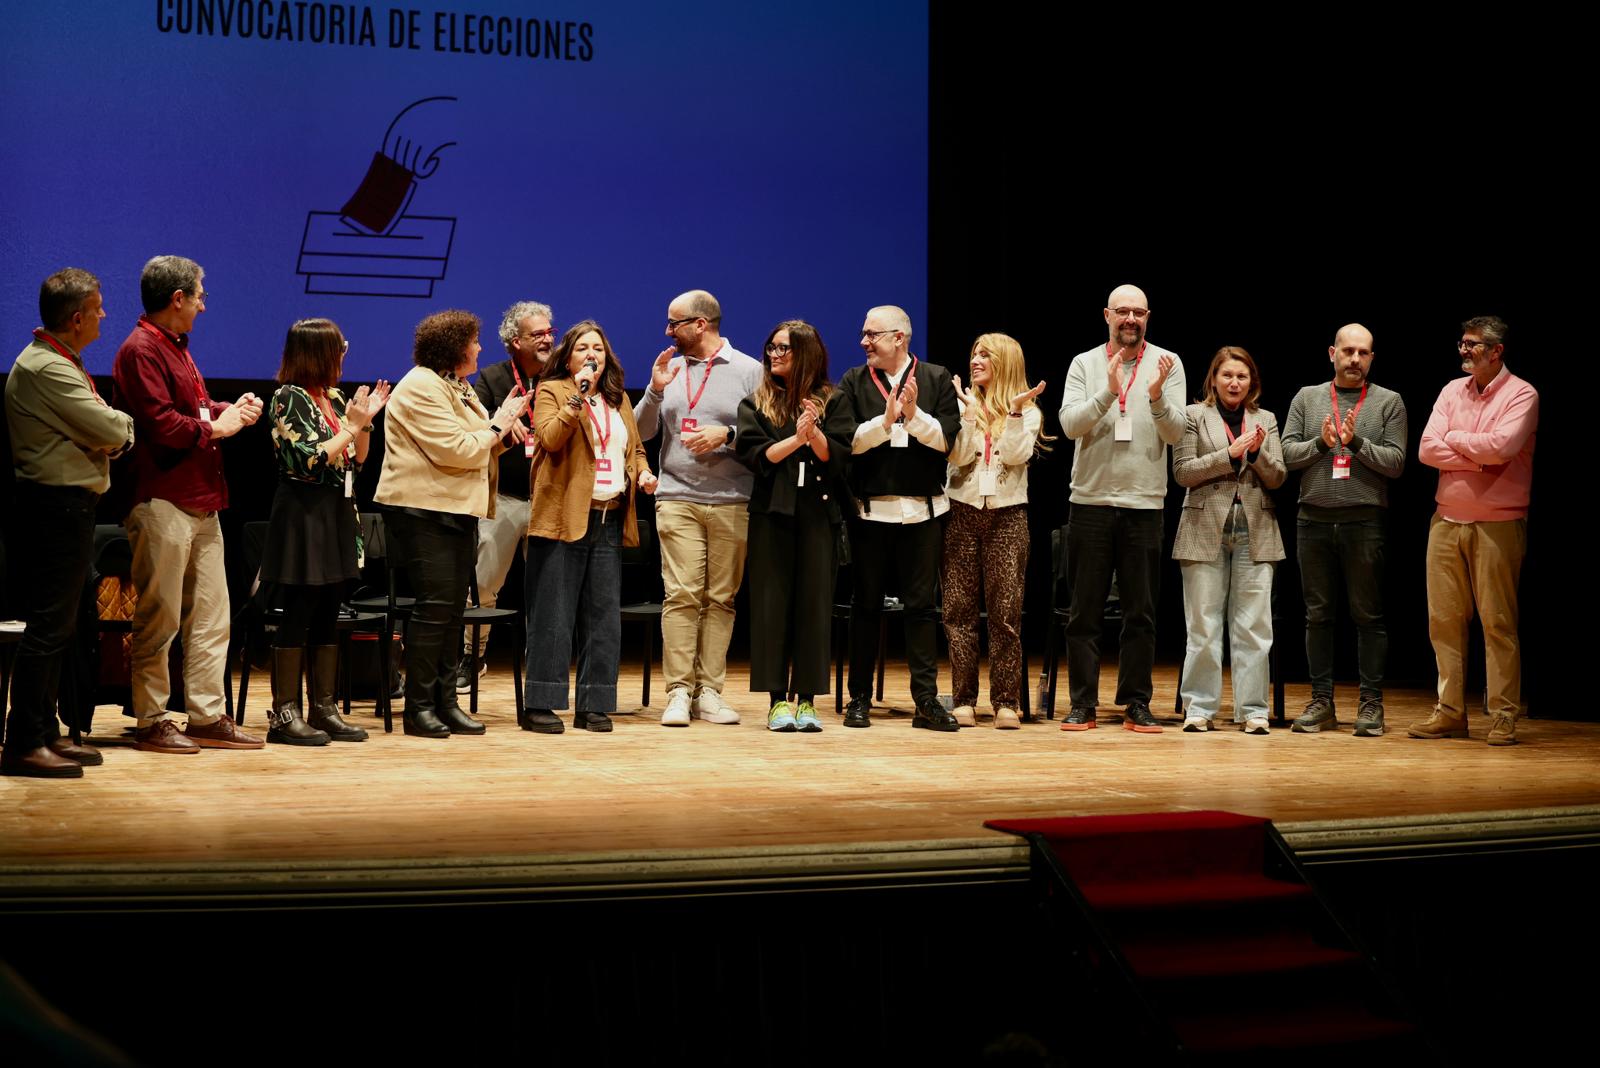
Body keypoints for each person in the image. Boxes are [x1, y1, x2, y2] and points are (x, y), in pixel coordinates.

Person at [112, 255, 265, 754]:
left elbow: (192, 412)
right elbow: (160, 424)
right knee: (160, 619)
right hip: (162, 500)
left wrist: (228, 411)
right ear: (176, 299)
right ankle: (152, 720)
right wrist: (214, 428)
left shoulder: (176, 347)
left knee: (212, 616)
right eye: (199, 295)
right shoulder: (140, 350)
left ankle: (204, 715)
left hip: (202, 503)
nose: (204, 304)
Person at [2, 269, 134, 778]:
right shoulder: (46, 369)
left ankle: (45, 731)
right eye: (98, 309)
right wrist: (114, 431)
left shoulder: (61, 362)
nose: (103, 315)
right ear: (77, 318)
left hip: (69, 507)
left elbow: (101, 428)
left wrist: (105, 432)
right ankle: (22, 741)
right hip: (53, 509)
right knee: (48, 627)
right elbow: (109, 425)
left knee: (65, 627)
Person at [374, 310, 529, 738]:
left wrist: (500, 431)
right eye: (475, 341)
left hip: (455, 510)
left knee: (453, 612)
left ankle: (446, 701)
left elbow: (481, 442)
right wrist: (499, 425)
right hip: (424, 512)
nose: (480, 348)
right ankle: (419, 707)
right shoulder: (421, 386)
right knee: (433, 611)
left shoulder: (456, 386)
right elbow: (458, 449)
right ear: (455, 347)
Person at [824, 305, 961, 731]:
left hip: (922, 511)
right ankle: (859, 698)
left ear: (899, 338)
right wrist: (885, 421)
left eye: (872, 334)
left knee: (922, 609)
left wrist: (915, 414)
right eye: (864, 334)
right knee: (865, 608)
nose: (863, 341)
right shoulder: (852, 381)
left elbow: (947, 444)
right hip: (871, 514)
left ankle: (926, 700)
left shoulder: (936, 378)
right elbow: (848, 444)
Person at [1056, 284, 1185, 733]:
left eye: (1138, 312)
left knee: (1141, 613)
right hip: (1090, 501)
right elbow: (1070, 425)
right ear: (1106, 315)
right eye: (1122, 312)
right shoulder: (1084, 363)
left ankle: (1136, 702)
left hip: (1144, 504)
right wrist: (1109, 393)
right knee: (1084, 612)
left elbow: (1176, 434)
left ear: (1148, 317)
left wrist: (1154, 396)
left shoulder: (1169, 363)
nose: (1130, 319)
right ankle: (1082, 705)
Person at [635, 290, 763, 727]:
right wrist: (654, 391)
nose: (668, 332)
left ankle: (709, 691)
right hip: (677, 496)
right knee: (682, 594)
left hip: (732, 499)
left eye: (675, 324)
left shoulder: (750, 371)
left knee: (720, 599)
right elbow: (640, 433)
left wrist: (725, 435)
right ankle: (678, 691)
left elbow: (765, 435)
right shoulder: (669, 369)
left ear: (701, 324)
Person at [522, 321, 657, 733]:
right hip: (564, 518)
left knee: (603, 618)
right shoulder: (554, 391)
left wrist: (644, 472)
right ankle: (541, 704)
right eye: (583, 348)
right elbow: (548, 438)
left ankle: (594, 704)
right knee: (554, 616)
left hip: (609, 517)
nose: (591, 355)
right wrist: (576, 399)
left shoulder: (616, 400)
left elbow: (633, 448)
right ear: (569, 356)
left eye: (597, 348)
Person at [261, 319, 389, 745]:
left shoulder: (331, 398)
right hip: (303, 512)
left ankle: (324, 708)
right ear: (318, 353)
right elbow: (309, 460)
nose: (344, 354)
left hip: (337, 511)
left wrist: (365, 422)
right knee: (300, 607)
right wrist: (351, 427)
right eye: (340, 347)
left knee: (329, 609)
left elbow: (357, 459)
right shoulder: (287, 397)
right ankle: (284, 714)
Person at [1412, 316, 1537, 746]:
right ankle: (1450, 712)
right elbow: (1427, 448)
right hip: (1445, 521)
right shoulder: (1451, 390)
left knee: (1498, 622)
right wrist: (1478, 458)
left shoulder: (1523, 394)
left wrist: (1458, 441)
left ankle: (1503, 714)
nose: (1463, 350)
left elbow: (1504, 447)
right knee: (1443, 621)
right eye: (1462, 343)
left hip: (1498, 524)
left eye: (1472, 344)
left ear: (1496, 351)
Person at [1280, 324, 1407, 735]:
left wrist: (1354, 445)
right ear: (1331, 353)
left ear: (1372, 357)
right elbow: (1285, 454)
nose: (1355, 359)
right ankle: (1322, 701)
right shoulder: (1307, 397)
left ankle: (1371, 704)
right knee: (1318, 617)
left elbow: (1396, 463)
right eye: (1348, 351)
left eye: (1364, 353)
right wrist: (1321, 444)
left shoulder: (1389, 402)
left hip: (1364, 521)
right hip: (1312, 520)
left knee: (1367, 616)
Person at [735, 320, 849, 732]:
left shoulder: (832, 400)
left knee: (813, 607)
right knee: (770, 607)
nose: (775, 355)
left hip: (818, 515)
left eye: (785, 349)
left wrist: (814, 433)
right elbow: (757, 456)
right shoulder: (756, 403)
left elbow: (837, 457)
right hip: (772, 514)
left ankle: (807, 701)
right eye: (772, 348)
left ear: (807, 354)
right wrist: (799, 439)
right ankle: (776, 701)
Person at [1171, 346, 1286, 734]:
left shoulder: (1265, 419)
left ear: (1251, 382)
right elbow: (1183, 473)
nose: (1234, 382)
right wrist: (1228, 454)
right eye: (1227, 376)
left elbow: (1278, 477)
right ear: (1214, 380)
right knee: (1202, 624)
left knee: (1254, 625)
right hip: (1204, 527)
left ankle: (1253, 709)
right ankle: (1199, 707)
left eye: (1242, 376)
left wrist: (1255, 455)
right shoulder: (1192, 416)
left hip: (1255, 528)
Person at [942, 333, 1049, 730]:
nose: (976, 359)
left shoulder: (1029, 411)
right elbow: (958, 455)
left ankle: (1006, 700)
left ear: (1004, 362)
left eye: (985, 354)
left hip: (1007, 516)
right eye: (973, 352)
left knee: (1005, 614)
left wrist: (1016, 413)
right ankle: (964, 700)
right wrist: (969, 416)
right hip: (962, 512)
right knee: (958, 612)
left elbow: (1019, 455)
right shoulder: (959, 405)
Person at [457, 300, 555, 688]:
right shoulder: (493, 378)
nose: (548, 339)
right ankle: (472, 657)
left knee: (548, 590)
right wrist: (500, 425)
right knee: (484, 585)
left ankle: (544, 666)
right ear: (515, 341)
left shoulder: (562, 379)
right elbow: (477, 425)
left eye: (550, 331)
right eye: (538, 334)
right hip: (506, 499)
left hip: (550, 500)